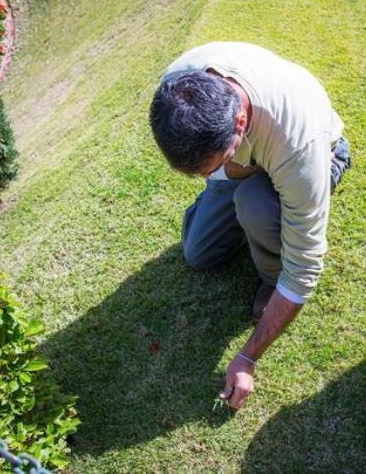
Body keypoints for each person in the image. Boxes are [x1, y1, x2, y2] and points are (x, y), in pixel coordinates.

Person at [148, 41, 351, 411]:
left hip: (314, 152)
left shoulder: (298, 143)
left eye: (208, 167)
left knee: (253, 204)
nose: (203, 177)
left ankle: (268, 272)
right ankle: (239, 198)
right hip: (246, 156)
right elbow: (217, 164)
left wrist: (248, 358)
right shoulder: (175, 88)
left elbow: (305, 269)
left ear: (240, 121)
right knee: (198, 253)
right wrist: (221, 172)